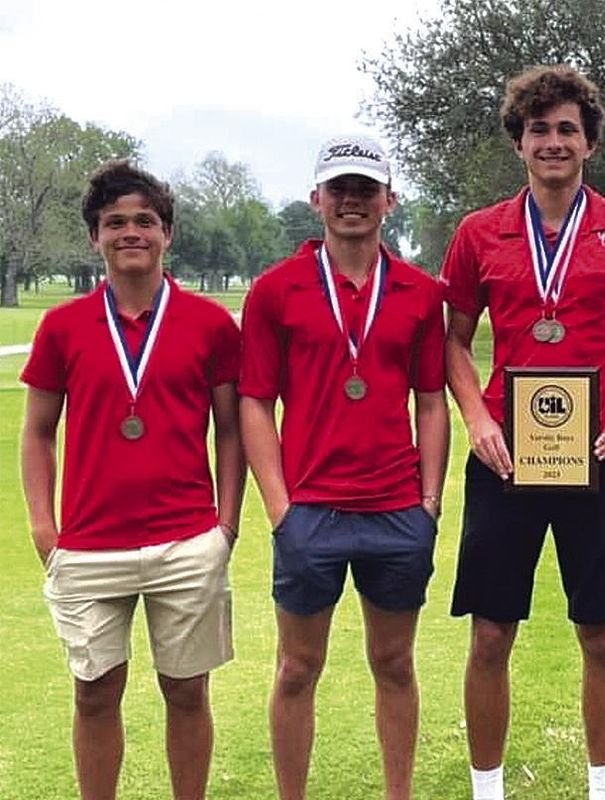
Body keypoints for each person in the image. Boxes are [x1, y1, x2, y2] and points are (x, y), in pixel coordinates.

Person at [441, 65, 605, 800]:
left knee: (600, 634)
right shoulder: (480, 233)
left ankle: (603, 789)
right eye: (538, 129)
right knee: (489, 633)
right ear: (519, 142)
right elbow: (453, 338)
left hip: (595, 458)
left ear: (590, 143)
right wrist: (476, 415)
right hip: (505, 455)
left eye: (566, 129)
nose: (552, 142)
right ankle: (488, 789)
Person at [20, 161, 244, 800]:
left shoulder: (209, 324)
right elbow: (37, 431)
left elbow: (231, 429)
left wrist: (225, 524)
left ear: (166, 233)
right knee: (94, 695)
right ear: (95, 237)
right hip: (90, 546)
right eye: (114, 222)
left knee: (187, 691)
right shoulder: (62, 327)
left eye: (144, 220)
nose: (130, 233)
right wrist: (45, 528)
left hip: (186, 540)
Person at [239, 135, 448, 800]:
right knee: (297, 668)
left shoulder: (420, 291)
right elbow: (254, 404)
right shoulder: (276, 291)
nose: (352, 200)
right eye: (340, 189)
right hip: (312, 512)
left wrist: (431, 501)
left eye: (366, 189)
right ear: (317, 200)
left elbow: (431, 400)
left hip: (394, 510)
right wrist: (280, 510)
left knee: (394, 663)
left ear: (389, 200)